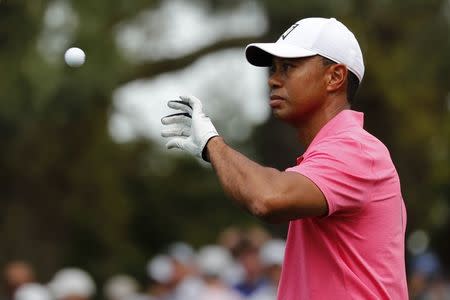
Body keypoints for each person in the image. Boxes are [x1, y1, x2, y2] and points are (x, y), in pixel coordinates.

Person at [161, 17, 408, 299]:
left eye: (289, 67)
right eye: (275, 68)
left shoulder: (355, 149)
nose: (273, 79)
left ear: (335, 77)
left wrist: (213, 144)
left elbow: (267, 198)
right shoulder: (332, 153)